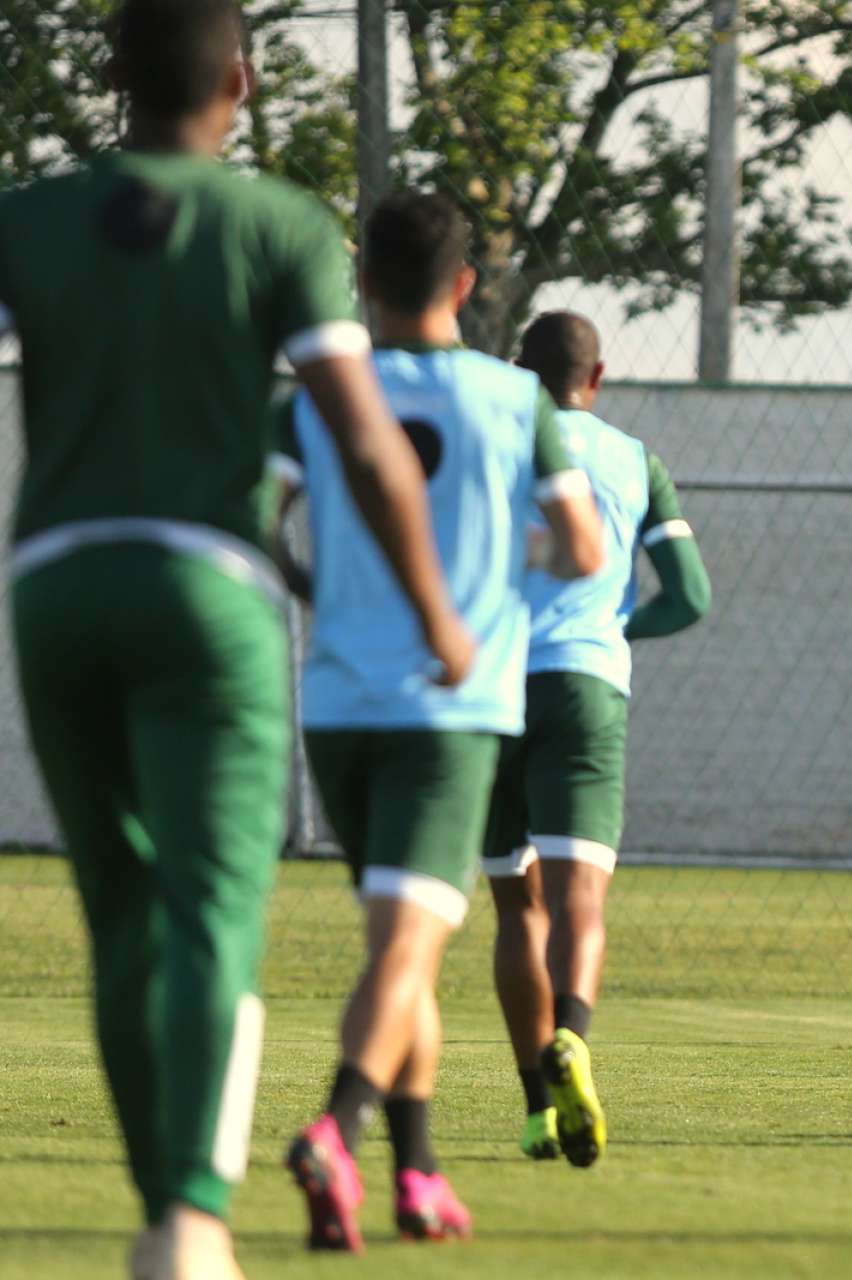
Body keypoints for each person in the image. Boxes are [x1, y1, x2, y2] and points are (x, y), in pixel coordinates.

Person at [0, 2, 467, 1275]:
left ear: (107, 76)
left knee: (119, 914)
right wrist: (437, 613)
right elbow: (366, 439)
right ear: (245, 83)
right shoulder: (280, 225)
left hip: (53, 588)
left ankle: (162, 1199)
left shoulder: (28, 214)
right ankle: (189, 1222)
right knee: (211, 911)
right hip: (209, 590)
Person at [271, 192, 604, 1253]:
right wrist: (509, 564)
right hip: (451, 707)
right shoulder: (516, 401)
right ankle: (338, 1127)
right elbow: (586, 549)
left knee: (398, 943)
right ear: (468, 287)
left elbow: (254, 514)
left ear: (361, 280)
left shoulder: (318, 394)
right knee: (408, 943)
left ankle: (416, 1175)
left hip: (334, 702)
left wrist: (319, 588)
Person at [482, 311, 712, 1168]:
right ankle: (571, 1035)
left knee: (515, 901)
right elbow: (688, 595)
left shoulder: (496, 441)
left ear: (519, 372)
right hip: (585, 685)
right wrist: (613, 629)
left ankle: (538, 1110)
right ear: (598, 376)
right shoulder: (633, 458)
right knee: (580, 897)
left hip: (493, 685)